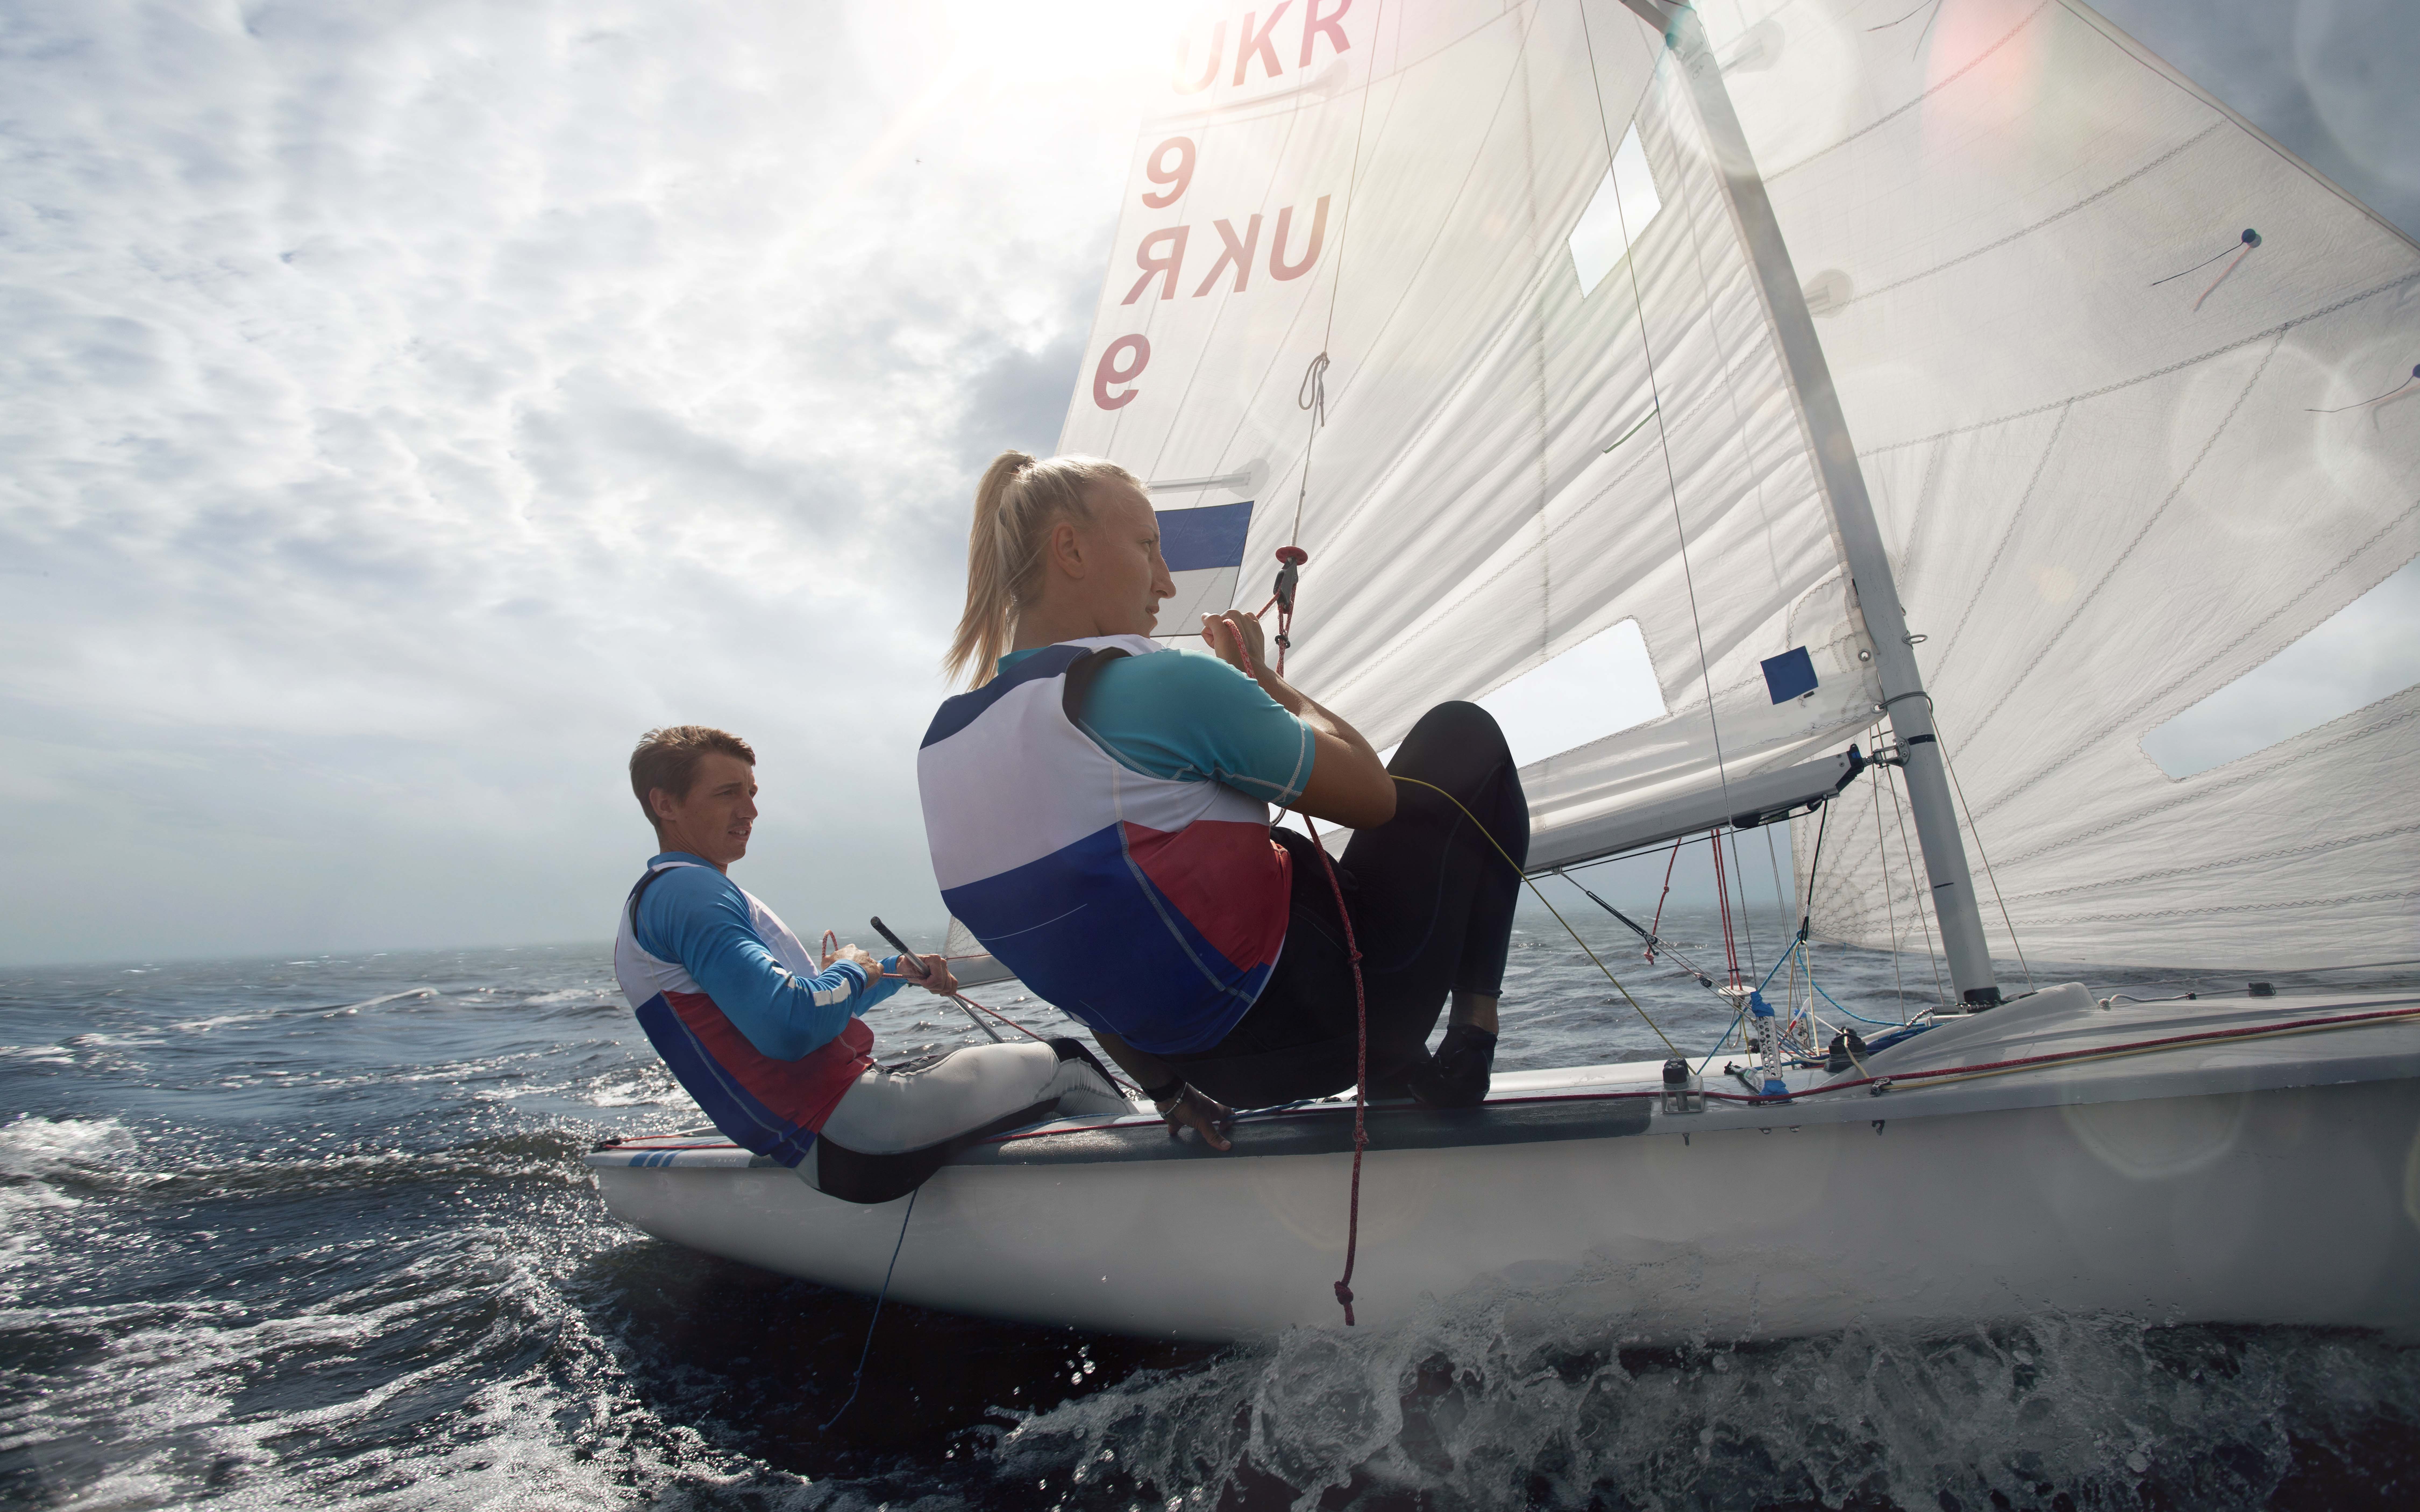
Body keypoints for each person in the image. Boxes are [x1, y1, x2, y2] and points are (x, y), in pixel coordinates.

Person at [918, 452, 1529, 1148]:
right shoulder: (1154, 687)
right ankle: (1474, 1036)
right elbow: (1373, 794)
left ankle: (1396, 1075)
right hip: (1353, 1020)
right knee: (1462, 734)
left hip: (1210, 1074)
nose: (1166, 581)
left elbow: (1087, 948)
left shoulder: (946, 754)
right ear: (1071, 548)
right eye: (1148, 547)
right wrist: (1262, 679)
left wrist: (1167, 1092)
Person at [614, 724, 1129, 1202]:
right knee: (1068, 1063)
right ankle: (1145, 1194)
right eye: (727, 793)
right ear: (666, 805)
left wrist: (893, 968)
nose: (750, 811)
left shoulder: (666, 897)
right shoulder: (690, 892)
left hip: (826, 1144)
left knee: (1000, 1078)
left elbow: (805, 1007)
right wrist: (855, 968)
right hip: (854, 1130)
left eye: (752, 793)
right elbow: (790, 1026)